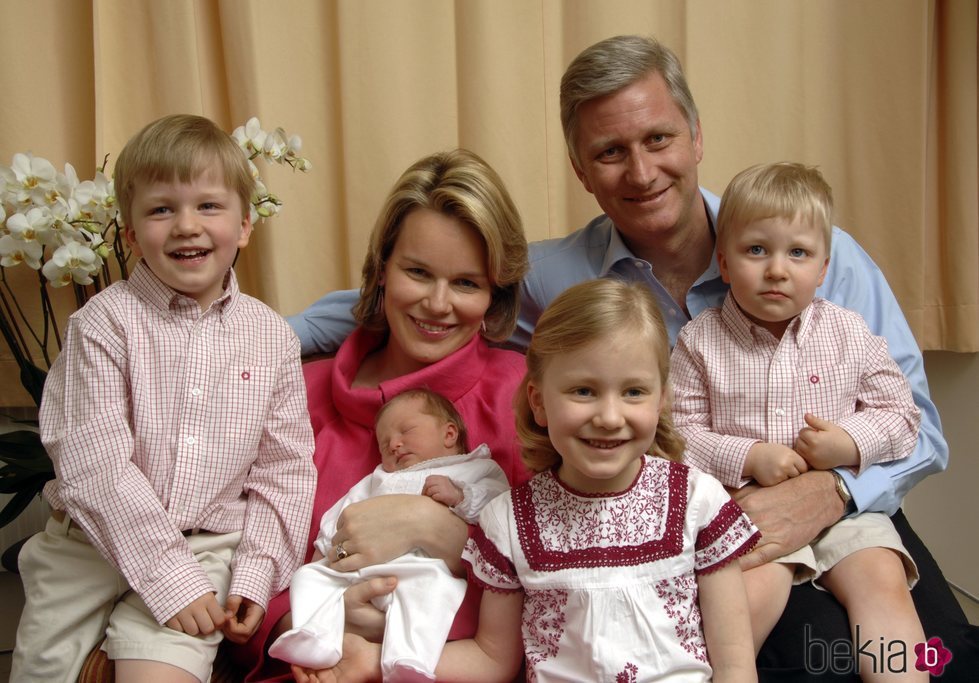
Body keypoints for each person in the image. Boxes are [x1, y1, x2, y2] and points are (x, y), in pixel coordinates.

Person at [286, 35, 979, 678]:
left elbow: (916, 422)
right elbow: (433, 288)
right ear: (580, 168)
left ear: (696, 135)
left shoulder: (818, 256)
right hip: (695, 536)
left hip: (845, 503)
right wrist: (261, 338)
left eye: (658, 138)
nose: (641, 171)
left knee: (941, 657)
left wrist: (825, 493)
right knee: (805, 661)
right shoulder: (551, 279)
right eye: (611, 151)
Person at [319, 278, 760, 683]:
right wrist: (372, 660)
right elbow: (492, 660)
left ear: (662, 399)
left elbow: (736, 665)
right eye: (583, 391)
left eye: (633, 392)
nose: (609, 417)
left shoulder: (698, 501)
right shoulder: (507, 522)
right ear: (539, 402)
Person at [10, 114, 317, 683]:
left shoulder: (272, 338)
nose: (185, 226)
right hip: (89, 545)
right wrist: (163, 574)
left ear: (245, 225)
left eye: (208, 206)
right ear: (129, 235)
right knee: (42, 671)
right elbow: (93, 462)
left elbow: (285, 472)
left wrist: (255, 572)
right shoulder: (102, 324)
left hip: (207, 548)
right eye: (160, 209)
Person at [233, 148, 532, 681]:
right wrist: (306, 620)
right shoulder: (298, 392)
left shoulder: (525, 396)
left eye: (466, 283)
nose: (438, 304)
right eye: (418, 272)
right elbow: (230, 562)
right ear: (380, 272)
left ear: (495, 295)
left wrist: (447, 537)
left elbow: (577, 574)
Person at [671, 162, 927, 679]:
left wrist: (850, 444)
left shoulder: (848, 332)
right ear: (724, 262)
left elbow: (903, 415)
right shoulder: (699, 341)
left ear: (824, 268)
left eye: (798, 253)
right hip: (748, 515)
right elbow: (676, 434)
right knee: (739, 599)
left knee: (881, 578)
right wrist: (747, 456)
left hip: (847, 513)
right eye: (756, 250)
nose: (777, 270)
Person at [269, 388, 509, 681]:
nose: (394, 444)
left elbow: (500, 507)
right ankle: (313, 635)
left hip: (420, 569)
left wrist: (460, 495)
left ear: (449, 434)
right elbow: (343, 510)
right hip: (357, 571)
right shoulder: (379, 477)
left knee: (430, 593)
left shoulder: (474, 468)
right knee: (307, 577)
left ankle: (407, 659)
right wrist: (324, 550)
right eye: (384, 443)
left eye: (406, 431)